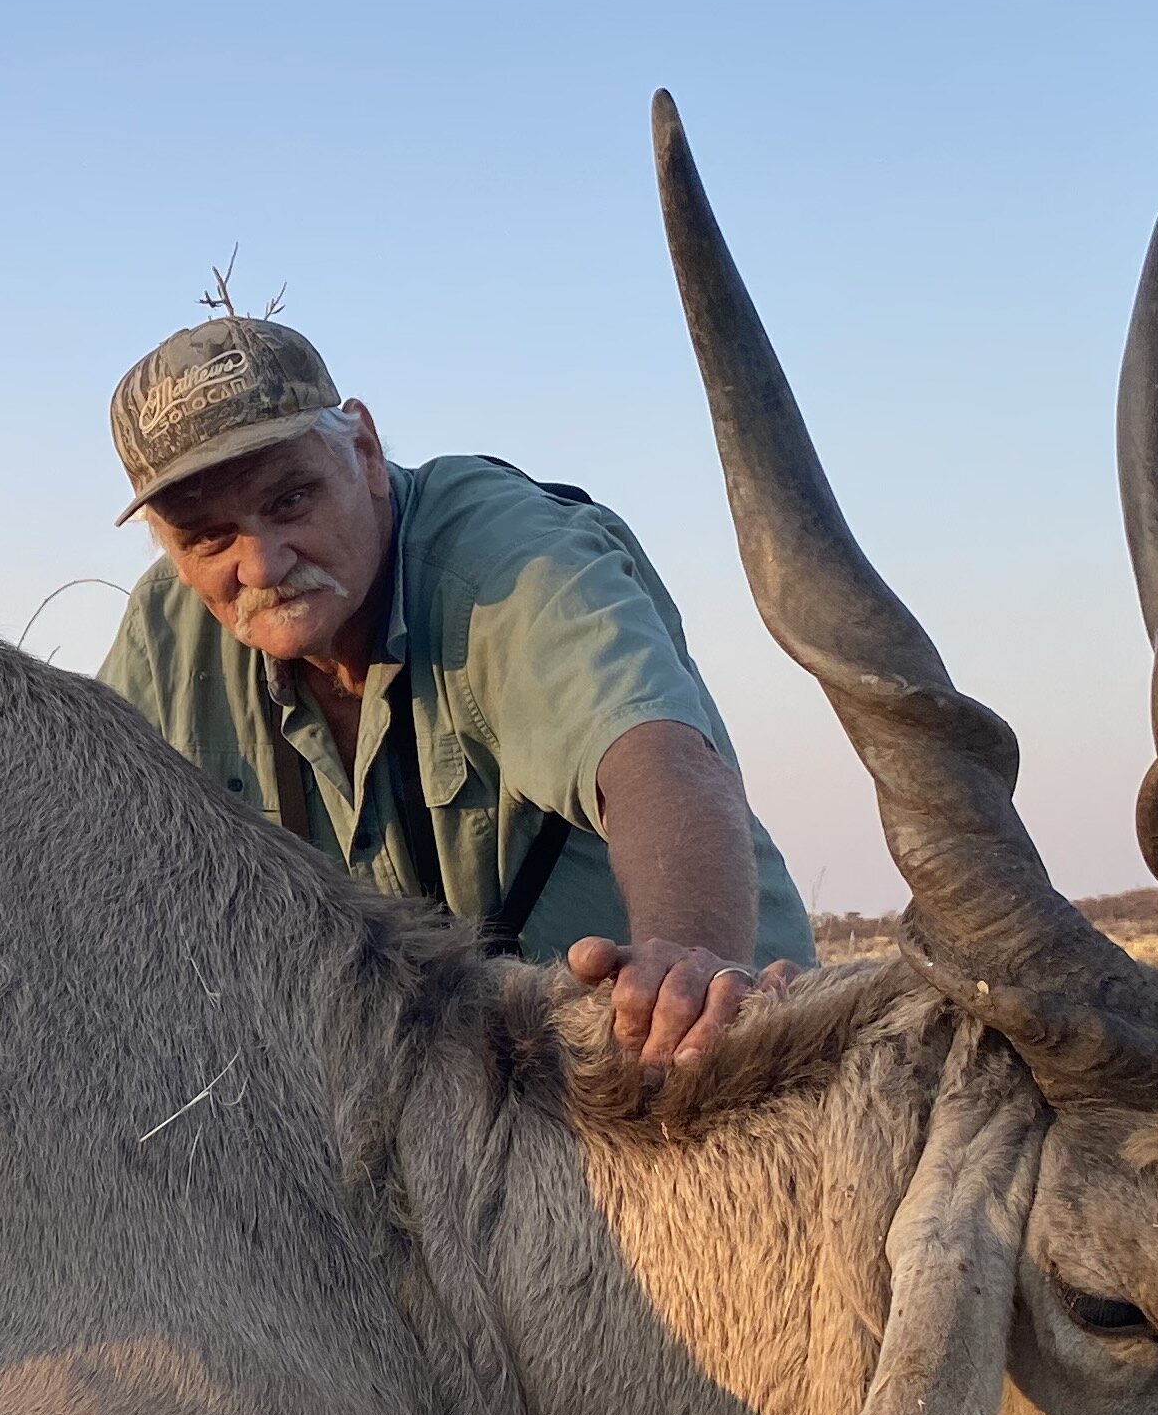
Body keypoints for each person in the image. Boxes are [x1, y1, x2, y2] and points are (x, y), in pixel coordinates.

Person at [97, 315, 812, 1068]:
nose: (264, 564)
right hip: (440, 1099)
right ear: (171, 550)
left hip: (670, 1051)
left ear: (365, 453)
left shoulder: (513, 561)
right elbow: (87, 863)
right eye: (209, 539)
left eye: (291, 501)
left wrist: (691, 965)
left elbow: (658, 763)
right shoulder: (162, 635)